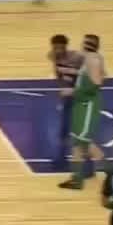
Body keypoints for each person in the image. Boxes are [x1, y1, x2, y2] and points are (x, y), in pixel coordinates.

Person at [58, 34, 106, 189]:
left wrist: (72, 92)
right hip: (81, 105)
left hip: (87, 106)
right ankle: (77, 179)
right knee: (79, 142)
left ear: (88, 45)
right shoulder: (90, 58)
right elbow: (102, 76)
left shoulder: (93, 60)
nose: (82, 46)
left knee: (84, 143)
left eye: (85, 43)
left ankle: (111, 173)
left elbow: (96, 85)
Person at [46, 35, 83, 169]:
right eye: (55, 48)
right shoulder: (52, 56)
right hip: (68, 97)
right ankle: (62, 158)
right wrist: (64, 87)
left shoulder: (77, 58)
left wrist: (73, 90)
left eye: (60, 48)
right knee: (64, 129)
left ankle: (85, 161)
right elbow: (59, 75)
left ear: (65, 47)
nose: (58, 50)